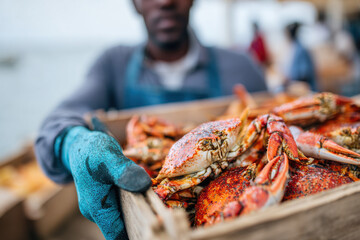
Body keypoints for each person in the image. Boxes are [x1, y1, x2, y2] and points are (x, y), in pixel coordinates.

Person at [35, 0, 267, 239]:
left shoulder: (243, 67)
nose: (165, 1)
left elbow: (270, 118)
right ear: (135, 4)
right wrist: (75, 143)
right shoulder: (114, 65)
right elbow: (52, 128)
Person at [284, 22, 317, 91]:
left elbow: (304, 73)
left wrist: (290, 79)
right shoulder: (294, 46)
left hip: (306, 89)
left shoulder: (301, 49)